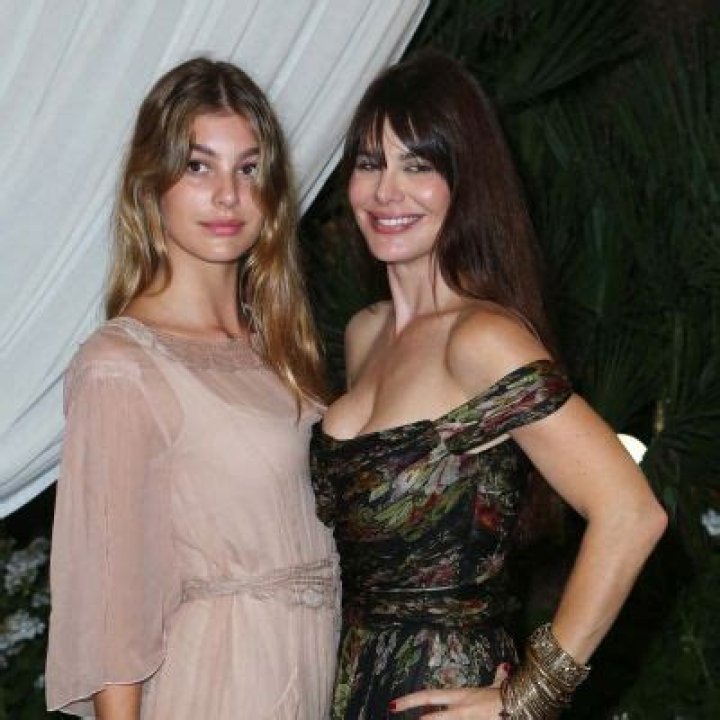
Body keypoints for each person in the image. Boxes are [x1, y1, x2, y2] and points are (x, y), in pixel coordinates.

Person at [310, 50, 667, 719]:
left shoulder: (481, 340)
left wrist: (526, 698)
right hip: (354, 688)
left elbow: (631, 513)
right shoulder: (366, 334)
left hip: (446, 692)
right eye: (370, 162)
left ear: (464, 181)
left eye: (419, 165)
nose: (387, 191)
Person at [46, 57, 338, 719]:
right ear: (152, 184)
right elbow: (111, 613)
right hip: (216, 685)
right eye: (198, 166)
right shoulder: (121, 366)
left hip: (301, 679)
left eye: (248, 168)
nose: (228, 195)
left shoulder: (279, 351)